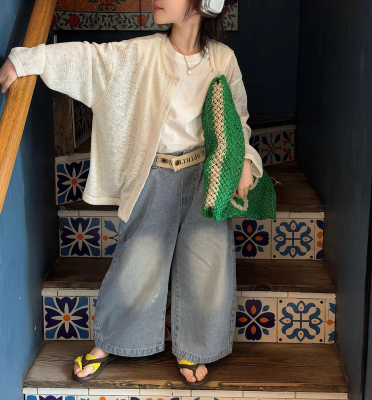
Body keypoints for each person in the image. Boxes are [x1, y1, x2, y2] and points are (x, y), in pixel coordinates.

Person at [0, 0, 263, 386]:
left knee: (207, 262)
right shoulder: (143, 53)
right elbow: (91, 61)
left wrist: (245, 161)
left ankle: (195, 348)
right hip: (156, 175)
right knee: (138, 260)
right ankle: (111, 341)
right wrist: (26, 61)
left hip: (206, 178)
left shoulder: (223, 59)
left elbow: (237, 119)